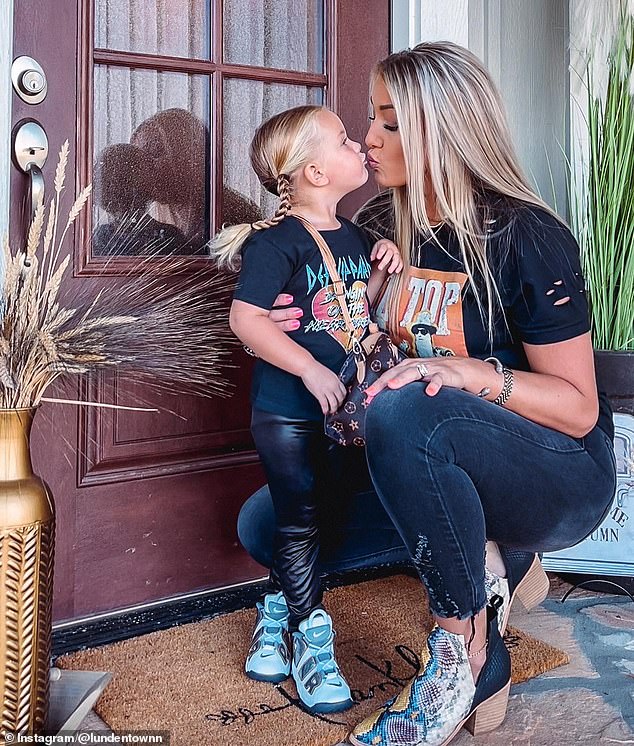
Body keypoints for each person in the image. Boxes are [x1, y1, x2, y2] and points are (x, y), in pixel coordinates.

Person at [236, 43, 617, 746]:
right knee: (270, 525)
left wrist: (475, 375)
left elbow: (579, 409)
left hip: (558, 471)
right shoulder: (376, 228)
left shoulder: (528, 236)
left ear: (439, 130)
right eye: (368, 123)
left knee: (412, 401)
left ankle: (465, 655)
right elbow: (324, 318)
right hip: (424, 450)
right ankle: (498, 562)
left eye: (387, 123)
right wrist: (293, 320)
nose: (369, 139)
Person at [209, 105, 403, 714]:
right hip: (287, 411)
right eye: (348, 140)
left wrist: (382, 271)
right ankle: (312, 636)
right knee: (297, 518)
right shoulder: (277, 242)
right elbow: (247, 320)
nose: (359, 145)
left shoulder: (355, 237)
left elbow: (347, 316)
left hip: (340, 411)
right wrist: (309, 369)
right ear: (317, 171)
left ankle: (275, 613)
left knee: (317, 514)